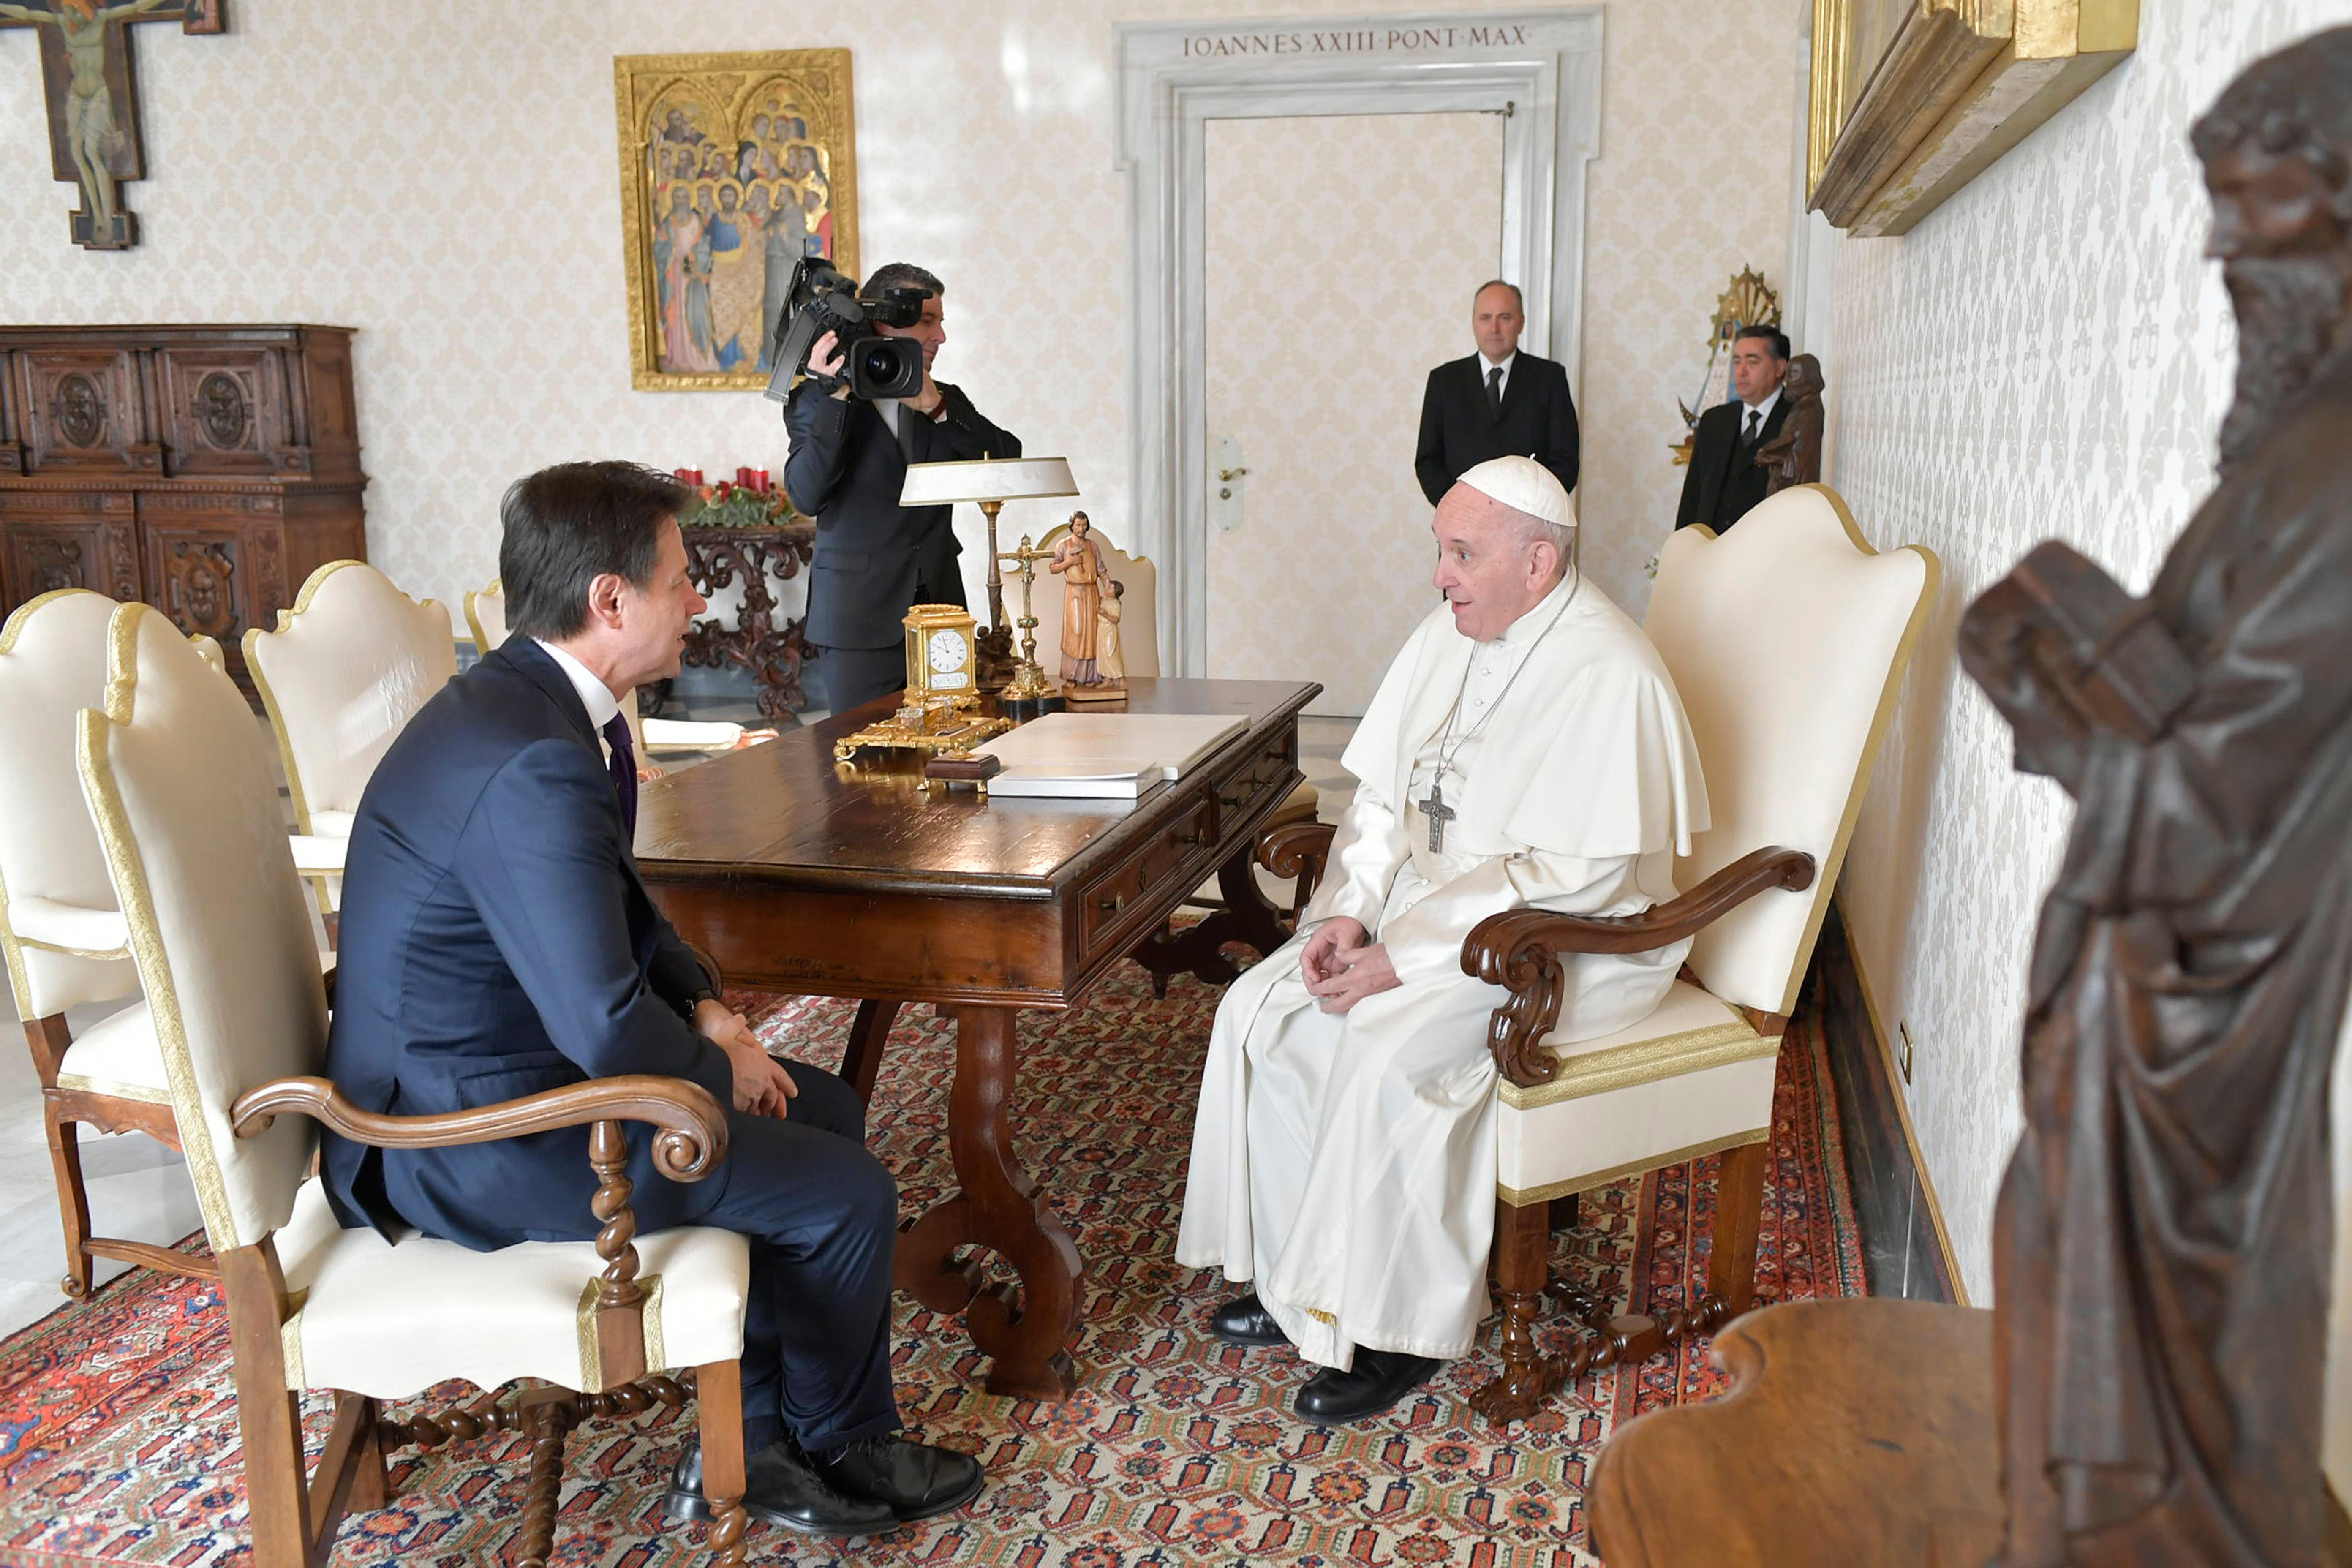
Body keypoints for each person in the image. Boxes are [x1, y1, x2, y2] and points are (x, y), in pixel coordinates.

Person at [319, 461, 983, 1537]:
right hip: (467, 1136)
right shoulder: (531, 756)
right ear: (610, 599)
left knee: (821, 1110)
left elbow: (622, 915)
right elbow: (599, 1022)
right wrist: (717, 1073)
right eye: (681, 579)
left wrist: (713, 1015)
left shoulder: (534, 708)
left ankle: (759, 1441)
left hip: (506, 1072)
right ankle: (841, 1442)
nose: (698, 600)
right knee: (845, 1191)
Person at [1960, 30, 2352, 1561]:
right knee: (2047, 1275)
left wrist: (2034, 681)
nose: (2217, 249)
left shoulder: (2336, 479)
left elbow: (2208, 811)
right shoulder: (2295, 450)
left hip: (2203, 1035)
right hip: (2158, 1006)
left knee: (2164, 1405)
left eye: (2253, 208)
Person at [1177, 455, 1706, 1423]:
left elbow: (1576, 877)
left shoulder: (1610, 671)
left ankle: (1391, 1329)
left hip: (1565, 942)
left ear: (1537, 563)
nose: (1439, 576)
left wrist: (1403, 955)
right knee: (1262, 1009)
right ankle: (1300, 1281)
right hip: (1433, 913)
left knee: (1387, 1043)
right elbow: (1384, 801)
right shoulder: (1449, 632)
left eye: (1462, 554)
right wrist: (1346, 912)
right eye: (1440, 550)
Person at [783, 263, 1022, 712]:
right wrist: (836, 396)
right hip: (858, 621)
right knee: (865, 750)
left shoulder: (944, 398)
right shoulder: (815, 400)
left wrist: (937, 407)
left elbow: (1008, 461)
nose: (940, 337)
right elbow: (807, 495)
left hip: (942, 616)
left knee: (955, 741)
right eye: (927, 321)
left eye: (941, 322)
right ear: (882, 320)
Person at [1413, 281, 1581, 506]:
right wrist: (1460, 507)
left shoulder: (1550, 379)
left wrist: (1528, 509)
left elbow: (1565, 461)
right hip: (1462, 518)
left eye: (1505, 318)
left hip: (1529, 518)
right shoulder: (1443, 381)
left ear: (1521, 323)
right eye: (1485, 318)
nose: (1494, 328)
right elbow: (1428, 461)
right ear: (1473, 323)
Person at [1674, 326, 1790, 532]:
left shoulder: (1795, 421)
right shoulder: (1714, 421)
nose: (1741, 372)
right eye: (1737, 362)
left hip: (1768, 544)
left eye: (1753, 362)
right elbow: (1693, 496)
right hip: (1712, 545)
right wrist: (1683, 545)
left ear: (1780, 368)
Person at [1049, 511, 1105, 686]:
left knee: (1092, 632)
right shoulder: (1064, 545)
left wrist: (1109, 588)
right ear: (1072, 526)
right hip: (1074, 592)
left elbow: (1101, 570)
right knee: (1076, 631)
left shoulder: (1093, 546)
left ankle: (1090, 676)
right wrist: (1070, 562)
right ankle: (1072, 675)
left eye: (1084, 525)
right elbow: (1053, 568)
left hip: (1092, 591)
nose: (1082, 529)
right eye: (1078, 525)